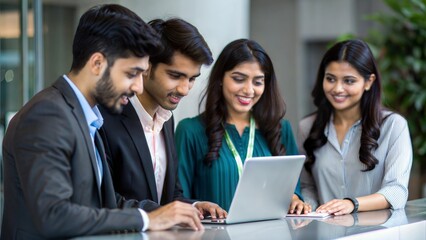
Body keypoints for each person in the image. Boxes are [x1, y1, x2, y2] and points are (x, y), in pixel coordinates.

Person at [1, 4, 204, 239]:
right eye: (131, 73)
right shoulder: (47, 114)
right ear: (97, 63)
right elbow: (54, 215)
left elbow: (105, 203)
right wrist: (146, 219)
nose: (138, 86)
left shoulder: (86, 117)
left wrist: (171, 212)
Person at [99, 18, 227, 219]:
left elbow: (169, 197)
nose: (184, 89)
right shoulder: (105, 119)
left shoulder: (167, 119)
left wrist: (194, 205)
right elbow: (103, 199)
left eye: (192, 78)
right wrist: (159, 212)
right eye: (175, 76)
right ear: (146, 66)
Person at [175, 38, 310, 214]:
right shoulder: (190, 130)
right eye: (239, 79)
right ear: (221, 78)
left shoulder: (280, 129)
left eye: (258, 82)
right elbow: (178, 200)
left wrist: (295, 199)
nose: (249, 90)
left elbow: (294, 189)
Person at [298, 39, 412, 216]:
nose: (337, 88)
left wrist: (353, 204)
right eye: (330, 79)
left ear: (368, 82)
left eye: (349, 81)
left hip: (377, 234)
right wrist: (306, 206)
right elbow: (308, 187)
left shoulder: (394, 126)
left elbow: (397, 191)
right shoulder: (307, 127)